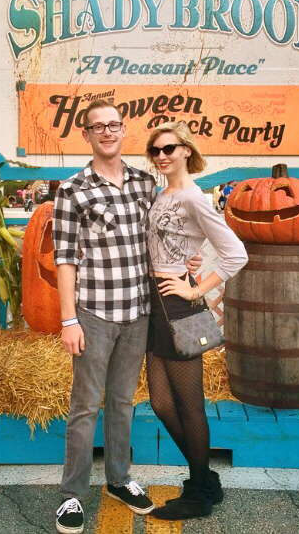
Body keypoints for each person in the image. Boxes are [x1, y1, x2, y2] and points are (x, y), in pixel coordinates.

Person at [52, 100, 201, 534]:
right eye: (97, 126)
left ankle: (119, 479)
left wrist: (187, 261)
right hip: (95, 313)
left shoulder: (144, 183)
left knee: (122, 402)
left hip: (138, 312)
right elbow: (65, 259)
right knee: (85, 405)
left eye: (113, 124)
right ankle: (72, 494)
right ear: (86, 134)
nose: (107, 131)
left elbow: (162, 236)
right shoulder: (72, 190)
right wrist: (68, 320)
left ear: (122, 130)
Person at [145, 121, 248, 521]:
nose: (161, 156)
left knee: (190, 405)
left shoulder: (194, 197)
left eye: (169, 148)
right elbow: (175, 243)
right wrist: (190, 259)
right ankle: (205, 479)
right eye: (155, 150)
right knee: (160, 403)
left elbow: (235, 254)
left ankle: (198, 492)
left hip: (179, 306)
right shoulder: (163, 194)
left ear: (186, 150)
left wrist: (194, 289)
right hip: (154, 303)